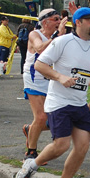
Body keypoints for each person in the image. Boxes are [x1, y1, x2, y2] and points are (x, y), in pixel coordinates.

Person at [15, 7, 90, 178]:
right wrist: (60, 77)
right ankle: (32, 165)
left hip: (79, 103)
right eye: (89, 20)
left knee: (82, 146)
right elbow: (40, 64)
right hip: (59, 102)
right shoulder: (63, 41)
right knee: (61, 145)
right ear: (78, 23)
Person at [21, 9, 68, 159]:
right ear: (45, 22)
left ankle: (31, 129)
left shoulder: (61, 37)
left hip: (50, 78)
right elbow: (40, 48)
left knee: (55, 119)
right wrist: (57, 36)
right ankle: (31, 152)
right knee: (41, 117)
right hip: (34, 78)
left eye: (60, 19)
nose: (59, 22)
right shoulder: (35, 34)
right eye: (55, 19)